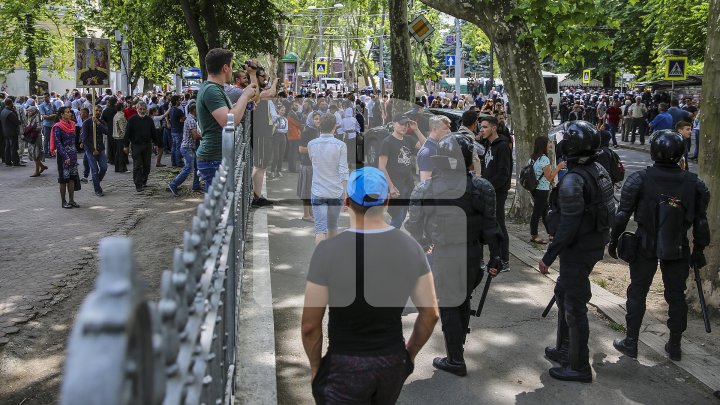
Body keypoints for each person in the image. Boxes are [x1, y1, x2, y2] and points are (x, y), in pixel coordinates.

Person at [302, 167, 439, 404]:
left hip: (343, 365)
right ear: (386, 201)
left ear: (346, 202)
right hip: (391, 362)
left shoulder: (327, 251)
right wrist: (409, 356)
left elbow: (310, 326)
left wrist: (316, 369)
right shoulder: (411, 248)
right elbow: (430, 314)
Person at [406, 133, 501, 377]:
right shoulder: (482, 187)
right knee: (462, 299)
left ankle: (455, 359)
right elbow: (492, 227)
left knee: (450, 304)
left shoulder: (425, 189)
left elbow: (413, 224)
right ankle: (457, 348)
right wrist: (496, 257)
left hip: (446, 254)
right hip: (471, 254)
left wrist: (424, 243)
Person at [609, 130, 709, 361]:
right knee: (676, 295)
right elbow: (701, 222)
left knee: (638, 291)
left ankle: (631, 341)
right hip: (678, 245)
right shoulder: (695, 184)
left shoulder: (639, 179)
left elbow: (622, 215)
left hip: (646, 242)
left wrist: (614, 240)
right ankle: (675, 345)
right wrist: (699, 249)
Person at [539, 121, 615, 383]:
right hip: (591, 244)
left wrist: (548, 257)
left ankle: (579, 366)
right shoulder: (598, 169)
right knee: (564, 293)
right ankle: (565, 350)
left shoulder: (574, 179)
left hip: (578, 249)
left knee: (573, 305)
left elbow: (568, 224)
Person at [195, 48, 257, 191]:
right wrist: (244, 97)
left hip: (216, 158)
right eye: (231, 66)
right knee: (222, 210)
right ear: (225, 67)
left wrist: (241, 103)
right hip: (214, 159)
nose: (232, 70)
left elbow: (227, 114)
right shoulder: (212, 90)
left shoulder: (214, 88)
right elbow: (228, 121)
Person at [378, 113, 426, 228]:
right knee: (397, 217)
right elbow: (381, 166)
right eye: (401, 124)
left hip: (408, 183)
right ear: (394, 124)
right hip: (396, 183)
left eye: (406, 124)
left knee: (405, 214)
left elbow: (425, 145)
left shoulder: (408, 139)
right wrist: (390, 186)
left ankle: (394, 240)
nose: (404, 127)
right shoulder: (387, 142)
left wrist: (416, 129)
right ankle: (391, 241)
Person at [307, 114, 349, 245]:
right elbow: (343, 170)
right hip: (335, 191)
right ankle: (331, 260)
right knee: (333, 228)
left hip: (318, 190)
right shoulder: (341, 145)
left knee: (320, 230)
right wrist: (346, 194)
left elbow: (312, 161)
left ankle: (320, 261)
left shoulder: (311, 144)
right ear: (334, 127)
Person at [479, 116, 512, 272]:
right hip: (487, 192)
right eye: (481, 127)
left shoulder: (503, 146)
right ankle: (494, 257)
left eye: (485, 127)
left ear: (494, 128)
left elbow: (504, 173)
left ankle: (504, 260)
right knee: (489, 225)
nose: (482, 130)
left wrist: (490, 187)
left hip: (497, 193)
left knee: (499, 225)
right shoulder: (488, 145)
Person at [529, 136, 566, 244]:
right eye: (549, 142)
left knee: (544, 211)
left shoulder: (533, 157)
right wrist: (559, 167)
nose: (551, 144)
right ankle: (534, 235)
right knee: (537, 212)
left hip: (535, 188)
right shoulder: (544, 159)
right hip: (542, 189)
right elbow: (549, 177)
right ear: (543, 145)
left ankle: (551, 233)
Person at [168, 103, 201, 196]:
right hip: (188, 148)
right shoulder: (191, 120)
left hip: (189, 147)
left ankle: (196, 185)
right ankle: (174, 184)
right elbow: (195, 136)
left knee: (196, 167)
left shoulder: (190, 119)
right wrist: (204, 137)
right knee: (189, 168)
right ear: (194, 110)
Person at [123, 101, 155, 192]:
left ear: (146, 110)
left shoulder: (149, 120)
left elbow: (153, 132)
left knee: (147, 165)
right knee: (137, 165)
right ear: (137, 109)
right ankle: (138, 184)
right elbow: (127, 134)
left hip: (147, 145)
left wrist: (157, 144)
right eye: (140, 109)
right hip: (136, 146)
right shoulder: (132, 119)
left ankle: (144, 180)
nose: (142, 111)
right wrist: (126, 146)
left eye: (144, 109)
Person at [53, 107, 80, 209]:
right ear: (62, 115)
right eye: (67, 112)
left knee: (72, 178)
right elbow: (58, 143)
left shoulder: (72, 125)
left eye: (70, 112)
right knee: (63, 179)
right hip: (63, 157)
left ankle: (72, 200)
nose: (70, 114)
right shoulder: (58, 127)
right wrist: (65, 156)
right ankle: (64, 201)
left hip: (73, 155)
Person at [81, 105, 109, 196]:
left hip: (100, 149)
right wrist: (93, 149)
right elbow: (84, 139)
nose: (98, 112)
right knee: (94, 170)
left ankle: (96, 181)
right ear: (92, 111)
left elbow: (106, 132)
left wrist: (98, 123)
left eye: (100, 111)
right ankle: (97, 189)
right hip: (90, 150)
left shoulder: (101, 122)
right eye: (96, 110)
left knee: (104, 167)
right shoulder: (86, 123)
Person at [298, 112, 320, 222]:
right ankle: (306, 214)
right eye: (315, 119)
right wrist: (314, 150)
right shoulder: (306, 131)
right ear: (311, 119)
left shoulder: (316, 130)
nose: (317, 121)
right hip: (306, 164)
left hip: (313, 165)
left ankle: (310, 213)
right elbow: (301, 149)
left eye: (318, 119)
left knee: (312, 190)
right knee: (306, 190)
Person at [417, 115, 451, 181]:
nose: (449, 131)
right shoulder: (428, 152)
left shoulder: (438, 147)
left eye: (449, 128)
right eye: (445, 128)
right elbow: (425, 183)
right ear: (434, 130)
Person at [25, 106, 48, 177]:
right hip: (31, 137)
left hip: (36, 137)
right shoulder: (30, 117)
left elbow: (40, 127)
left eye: (30, 111)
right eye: (28, 111)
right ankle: (42, 167)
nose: (29, 112)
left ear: (34, 111)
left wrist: (31, 128)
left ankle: (37, 171)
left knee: (36, 153)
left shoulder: (37, 117)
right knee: (33, 153)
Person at [1, 99, 22, 166]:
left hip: (5, 132)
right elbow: (17, 122)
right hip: (12, 132)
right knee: (13, 147)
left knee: (7, 147)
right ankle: (15, 162)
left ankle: (8, 161)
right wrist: (14, 111)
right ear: (11, 103)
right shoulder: (10, 112)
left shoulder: (3, 111)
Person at [112, 102, 129, 173]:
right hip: (121, 137)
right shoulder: (121, 116)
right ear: (122, 107)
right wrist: (127, 136)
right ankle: (122, 168)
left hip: (116, 136)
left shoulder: (116, 115)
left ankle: (117, 168)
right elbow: (123, 128)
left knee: (118, 153)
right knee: (122, 153)